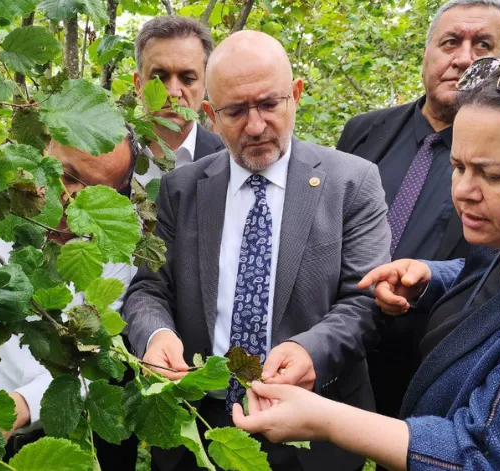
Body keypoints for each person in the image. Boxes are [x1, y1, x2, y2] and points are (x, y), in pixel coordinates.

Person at [233, 49, 500, 470]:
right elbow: (494, 279)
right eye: (457, 166)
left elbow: (487, 457)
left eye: (494, 175)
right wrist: (432, 276)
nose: (463, 191)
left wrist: (325, 418)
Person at [123, 30, 391, 471]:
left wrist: (311, 351)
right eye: (235, 111)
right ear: (210, 114)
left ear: (296, 95)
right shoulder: (180, 189)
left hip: (311, 429)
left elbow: (364, 301)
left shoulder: (352, 183)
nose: (255, 126)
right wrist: (156, 336)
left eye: (269, 104)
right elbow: (149, 289)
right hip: (199, 432)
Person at [335, 0, 500, 419]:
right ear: (427, 52)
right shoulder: (365, 130)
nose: (464, 58)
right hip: (343, 341)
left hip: (433, 359)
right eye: (450, 42)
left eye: (483, 45)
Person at [0, 134, 139, 439]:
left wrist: (22, 404)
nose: (69, 196)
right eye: (66, 174)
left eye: (93, 188)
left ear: (117, 192)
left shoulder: (113, 249)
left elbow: (93, 349)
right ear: (45, 150)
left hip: (45, 425)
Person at [132, 15, 224, 186]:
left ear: (206, 85)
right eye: (159, 78)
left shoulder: (229, 159)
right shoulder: (111, 152)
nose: (173, 92)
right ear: (139, 85)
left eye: (187, 78)